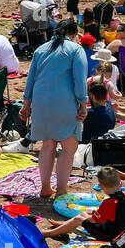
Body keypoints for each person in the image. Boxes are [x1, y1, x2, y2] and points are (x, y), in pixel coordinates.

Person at [19, 19, 88, 199]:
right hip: (64, 101)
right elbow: (80, 81)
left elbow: (30, 79)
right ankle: (62, 190)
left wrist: (26, 104)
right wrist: (83, 103)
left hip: (41, 101)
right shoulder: (75, 49)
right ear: (73, 34)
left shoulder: (41, 49)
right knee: (68, 147)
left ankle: (45, 187)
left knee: (47, 145)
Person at [40, 166, 125, 241]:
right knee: (89, 211)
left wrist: (85, 218)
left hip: (111, 235)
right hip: (123, 231)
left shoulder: (109, 203)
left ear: (101, 186)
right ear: (120, 184)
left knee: (79, 219)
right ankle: (64, 226)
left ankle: (50, 233)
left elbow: (93, 221)